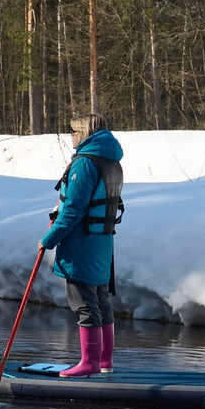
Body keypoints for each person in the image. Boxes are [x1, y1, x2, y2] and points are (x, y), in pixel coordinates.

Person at [39, 111, 124, 377]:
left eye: (73, 131)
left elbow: (73, 212)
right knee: (101, 302)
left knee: (84, 304)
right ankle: (105, 362)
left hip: (81, 246)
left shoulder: (84, 163)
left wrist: (48, 240)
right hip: (102, 245)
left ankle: (89, 363)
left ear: (85, 133)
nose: (71, 136)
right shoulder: (111, 161)